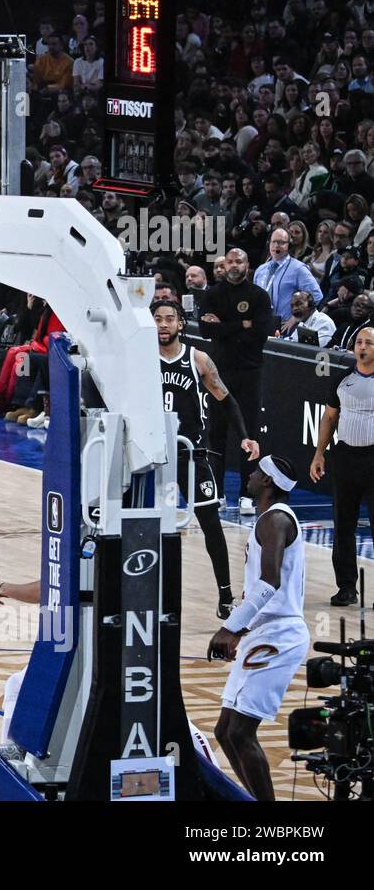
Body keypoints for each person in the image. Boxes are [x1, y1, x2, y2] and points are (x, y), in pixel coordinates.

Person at [207, 456, 309, 801]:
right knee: (225, 730)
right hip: (265, 630)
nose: (249, 476)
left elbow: (270, 583)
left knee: (240, 731)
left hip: (280, 633)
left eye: (256, 472)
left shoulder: (275, 519)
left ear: (268, 482)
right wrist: (245, 628)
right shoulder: (269, 519)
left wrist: (232, 627)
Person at [153, 302, 261, 618]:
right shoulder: (141, 358)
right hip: (154, 456)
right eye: (157, 319)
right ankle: (145, 590)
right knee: (148, 526)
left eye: (169, 319)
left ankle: (225, 594)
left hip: (191, 454)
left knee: (211, 523)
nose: (163, 324)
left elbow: (227, 400)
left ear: (181, 324)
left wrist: (244, 434)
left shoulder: (197, 359)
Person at [198, 248, 273, 514]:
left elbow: (261, 333)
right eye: (229, 261)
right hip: (217, 372)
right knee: (216, 433)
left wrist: (225, 327)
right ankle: (217, 493)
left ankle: (246, 494)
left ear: (247, 264)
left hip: (249, 372)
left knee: (248, 433)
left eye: (239, 260)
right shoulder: (213, 294)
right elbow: (206, 329)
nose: (233, 265)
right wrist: (242, 325)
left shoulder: (259, 296)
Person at [308, 326, 374, 606]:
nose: (362, 347)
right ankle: (346, 587)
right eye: (359, 342)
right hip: (346, 456)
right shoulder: (342, 378)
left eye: (369, 343)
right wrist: (319, 453)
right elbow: (329, 418)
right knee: (343, 525)